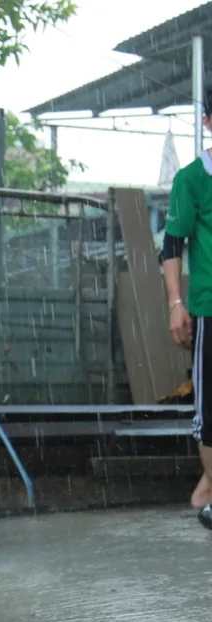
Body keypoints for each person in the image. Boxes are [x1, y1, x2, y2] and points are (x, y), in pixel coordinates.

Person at [165, 87, 212, 531]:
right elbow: (173, 246)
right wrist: (176, 303)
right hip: (209, 306)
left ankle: (207, 488)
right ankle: (210, 488)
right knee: (211, 409)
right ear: (209, 122)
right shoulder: (193, 179)